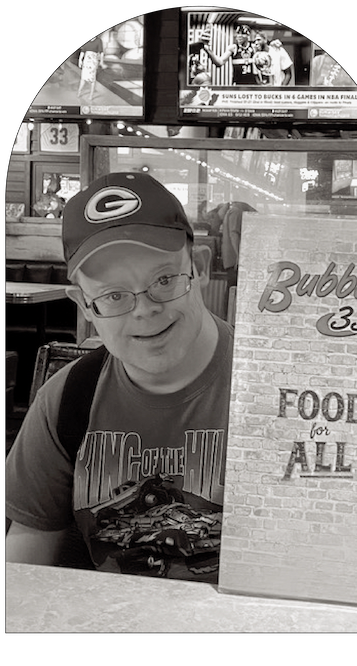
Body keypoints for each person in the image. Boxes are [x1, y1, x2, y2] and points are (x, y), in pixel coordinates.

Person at [6, 172, 234, 584]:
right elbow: (26, 556)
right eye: (113, 295)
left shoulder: (275, 386)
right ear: (85, 306)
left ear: (198, 268)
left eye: (164, 280)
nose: (144, 310)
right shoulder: (67, 400)